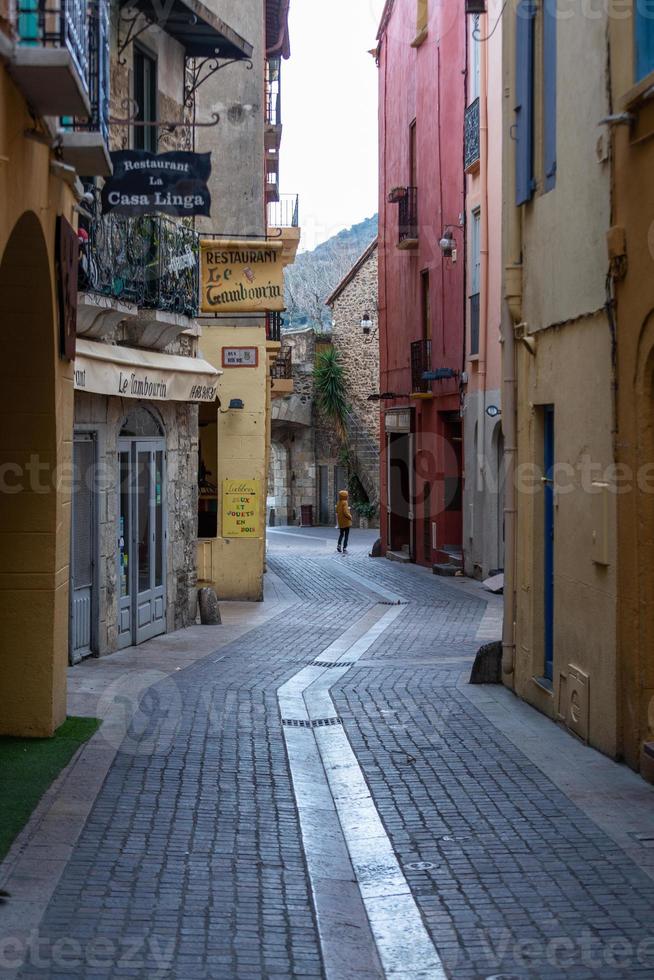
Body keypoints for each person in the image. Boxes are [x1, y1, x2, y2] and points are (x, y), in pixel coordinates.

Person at [336, 489, 352, 554]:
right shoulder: (345, 502)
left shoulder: (339, 502)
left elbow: (337, 511)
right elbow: (345, 512)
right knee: (346, 535)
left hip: (341, 522)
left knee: (341, 534)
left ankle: (339, 545)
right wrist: (350, 516)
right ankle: (344, 548)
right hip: (346, 522)